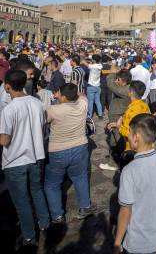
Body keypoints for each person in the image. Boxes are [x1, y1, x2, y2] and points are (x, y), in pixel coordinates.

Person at [0, 69, 50, 246]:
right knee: (37, 191)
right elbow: (42, 127)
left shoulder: (9, 110)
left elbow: (4, 140)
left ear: (7, 86)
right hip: (36, 156)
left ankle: (29, 236)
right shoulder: (37, 103)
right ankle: (45, 224)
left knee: (22, 202)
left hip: (15, 160)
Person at [114, 113, 156, 254]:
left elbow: (125, 211)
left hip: (137, 241)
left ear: (136, 137)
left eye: (129, 134)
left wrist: (118, 242)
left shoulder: (129, 171)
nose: (128, 137)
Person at [44, 83, 96, 223]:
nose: (57, 95)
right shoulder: (82, 105)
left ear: (64, 97)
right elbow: (83, 95)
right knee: (80, 177)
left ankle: (57, 215)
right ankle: (85, 206)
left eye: (59, 93)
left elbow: (43, 122)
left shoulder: (53, 110)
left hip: (58, 150)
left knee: (52, 184)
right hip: (80, 147)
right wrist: (74, 93)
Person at [107, 80, 150, 153]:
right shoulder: (145, 106)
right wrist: (116, 124)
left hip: (132, 148)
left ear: (131, 92)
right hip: (145, 144)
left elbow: (128, 133)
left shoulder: (130, 111)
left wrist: (119, 127)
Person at [86, 54, 103, 120]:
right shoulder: (100, 66)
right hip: (98, 86)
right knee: (97, 101)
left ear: (94, 60)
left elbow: (86, 64)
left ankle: (89, 115)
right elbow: (95, 64)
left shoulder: (92, 66)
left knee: (90, 102)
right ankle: (100, 114)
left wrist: (85, 61)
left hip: (91, 86)